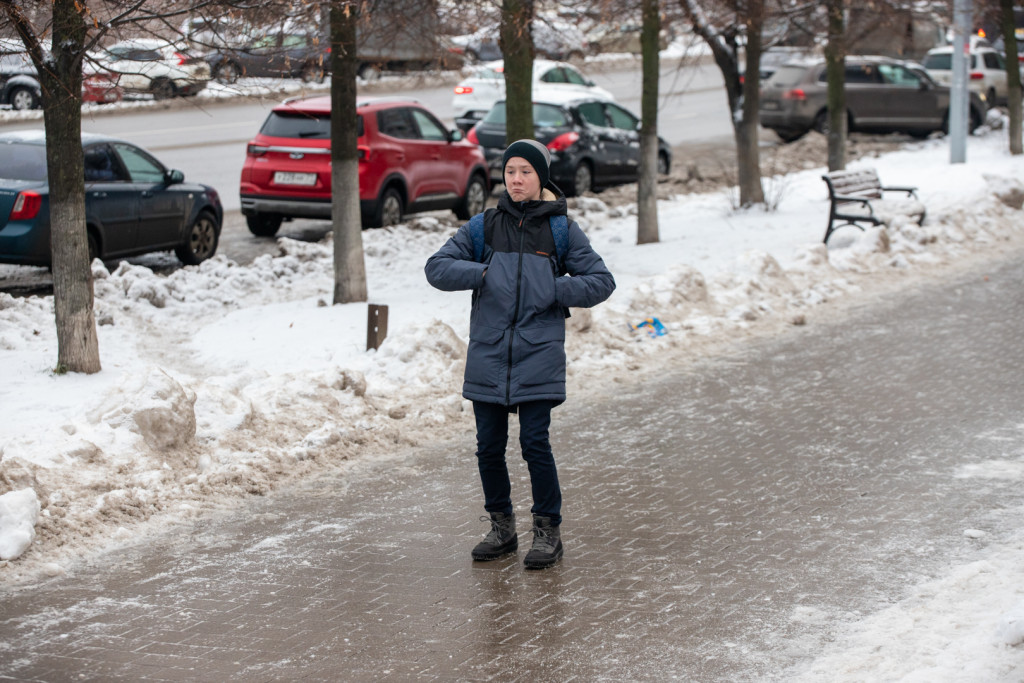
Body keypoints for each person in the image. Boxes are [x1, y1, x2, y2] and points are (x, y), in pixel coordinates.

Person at [424, 139, 616, 569]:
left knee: (534, 444)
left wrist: (554, 287)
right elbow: (437, 268)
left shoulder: (561, 230)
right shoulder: (484, 227)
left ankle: (548, 531)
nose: (515, 179)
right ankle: (502, 527)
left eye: (525, 172)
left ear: (540, 177)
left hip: (537, 353)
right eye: (510, 171)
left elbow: (601, 281)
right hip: (489, 353)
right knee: (488, 447)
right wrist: (483, 273)